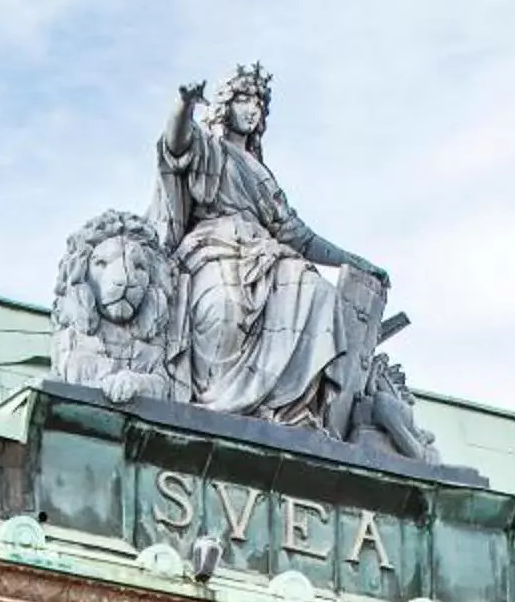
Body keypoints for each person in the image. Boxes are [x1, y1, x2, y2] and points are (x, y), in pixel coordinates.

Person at [151, 66, 391, 438]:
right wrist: (183, 105)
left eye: (259, 105)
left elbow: (298, 235)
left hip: (266, 253)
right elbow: (175, 145)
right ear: (225, 106)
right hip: (214, 248)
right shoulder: (209, 149)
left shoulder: (261, 173)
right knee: (223, 309)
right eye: (244, 100)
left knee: (319, 294)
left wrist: (355, 262)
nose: (252, 110)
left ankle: (293, 413)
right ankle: (216, 403)